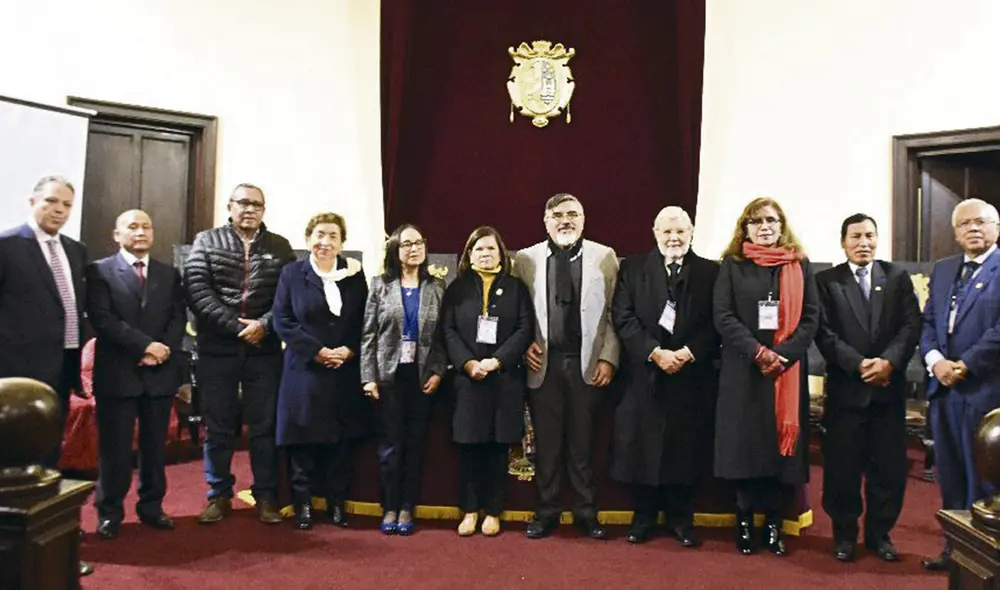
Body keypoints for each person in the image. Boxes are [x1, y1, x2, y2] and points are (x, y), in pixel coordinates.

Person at [183, 183, 295, 525]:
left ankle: (265, 496)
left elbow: (289, 294)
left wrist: (263, 325)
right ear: (229, 206)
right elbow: (197, 290)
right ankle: (218, 495)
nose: (250, 209)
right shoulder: (206, 241)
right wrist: (236, 326)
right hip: (218, 349)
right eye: (243, 203)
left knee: (263, 426)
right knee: (218, 426)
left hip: (264, 351)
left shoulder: (280, 246)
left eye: (257, 205)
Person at [713, 197, 819, 556]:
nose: (765, 227)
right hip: (744, 373)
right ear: (745, 228)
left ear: (782, 224)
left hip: (785, 374)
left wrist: (783, 355)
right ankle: (744, 523)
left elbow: (811, 319)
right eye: (756, 221)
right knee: (746, 451)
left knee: (779, 453)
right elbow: (723, 316)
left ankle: (773, 525)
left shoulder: (800, 265)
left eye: (771, 220)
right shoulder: (732, 265)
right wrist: (757, 352)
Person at [610, 206, 719, 547]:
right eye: (666, 232)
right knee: (643, 448)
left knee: (684, 449)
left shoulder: (711, 272)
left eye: (680, 231)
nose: (673, 238)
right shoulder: (633, 268)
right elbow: (622, 316)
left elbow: (718, 321)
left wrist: (687, 354)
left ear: (691, 232)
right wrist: (654, 353)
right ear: (655, 233)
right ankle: (643, 517)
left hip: (691, 376)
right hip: (646, 374)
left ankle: (681, 520)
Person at [814, 213, 921, 563]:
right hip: (847, 391)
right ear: (843, 241)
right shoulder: (827, 281)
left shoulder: (897, 277)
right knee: (842, 470)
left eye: (870, 236)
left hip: (887, 392)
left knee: (888, 470)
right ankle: (844, 535)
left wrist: (888, 362)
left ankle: (880, 535)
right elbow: (824, 333)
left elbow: (910, 326)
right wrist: (859, 364)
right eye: (856, 236)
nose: (864, 243)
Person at [0, 175, 92, 577]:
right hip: (15, 376)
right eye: (51, 201)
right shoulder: (6, 245)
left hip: (61, 366)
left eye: (66, 205)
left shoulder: (75, 249)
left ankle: (48, 536)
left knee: (49, 455)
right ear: (32, 200)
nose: (59, 210)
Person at [514, 193, 620, 541]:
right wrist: (523, 345)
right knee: (546, 445)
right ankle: (546, 513)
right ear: (545, 221)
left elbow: (616, 314)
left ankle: (586, 513)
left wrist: (608, 356)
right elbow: (519, 313)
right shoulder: (526, 259)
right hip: (543, 362)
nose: (565, 220)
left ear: (584, 219)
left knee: (582, 443)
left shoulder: (604, 256)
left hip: (586, 363)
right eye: (557, 215)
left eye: (573, 214)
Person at [87, 210, 188, 540]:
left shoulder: (169, 273)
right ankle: (110, 512)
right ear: (117, 235)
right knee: (114, 450)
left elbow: (177, 318)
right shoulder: (100, 271)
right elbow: (103, 319)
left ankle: (152, 507)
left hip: (159, 373)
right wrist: (145, 346)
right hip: (118, 373)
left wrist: (162, 349)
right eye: (132, 226)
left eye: (146, 226)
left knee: (155, 447)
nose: (141, 231)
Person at [272, 213, 368, 530]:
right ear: (308, 238)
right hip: (304, 371)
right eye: (319, 234)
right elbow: (282, 320)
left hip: (344, 371)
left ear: (343, 243)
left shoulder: (355, 275)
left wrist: (349, 349)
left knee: (340, 444)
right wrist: (317, 351)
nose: (325, 242)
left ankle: (338, 505)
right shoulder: (292, 274)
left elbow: (365, 321)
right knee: (303, 442)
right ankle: (303, 506)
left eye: (333, 236)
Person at [920, 198, 1000, 571]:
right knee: (950, 472)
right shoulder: (944, 269)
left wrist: (965, 365)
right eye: (964, 223)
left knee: (983, 477)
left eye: (981, 222)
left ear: (996, 228)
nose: (973, 228)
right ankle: (956, 550)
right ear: (954, 233)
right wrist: (936, 362)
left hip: (984, 390)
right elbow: (929, 322)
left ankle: (985, 557)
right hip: (944, 389)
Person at [440, 226, 534, 537]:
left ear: (501, 253)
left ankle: (493, 512)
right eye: (479, 249)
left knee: (497, 449)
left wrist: (497, 360)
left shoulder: (516, 287)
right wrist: (468, 363)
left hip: (504, 379)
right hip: (468, 381)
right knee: (469, 450)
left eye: (491, 248)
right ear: (469, 254)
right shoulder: (457, 288)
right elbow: (448, 330)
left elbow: (524, 329)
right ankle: (469, 511)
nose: (485, 253)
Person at [361, 224, 447, 535]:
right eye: (407, 243)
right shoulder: (380, 285)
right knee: (389, 446)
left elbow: (442, 338)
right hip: (387, 377)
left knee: (414, 445)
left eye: (419, 242)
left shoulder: (436, 287)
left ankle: (408, 507)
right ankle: (390, 507)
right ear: (395, 250)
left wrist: (437, 370)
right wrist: (368, 377)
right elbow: (368, 335)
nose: (414, 248)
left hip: (421, 376)